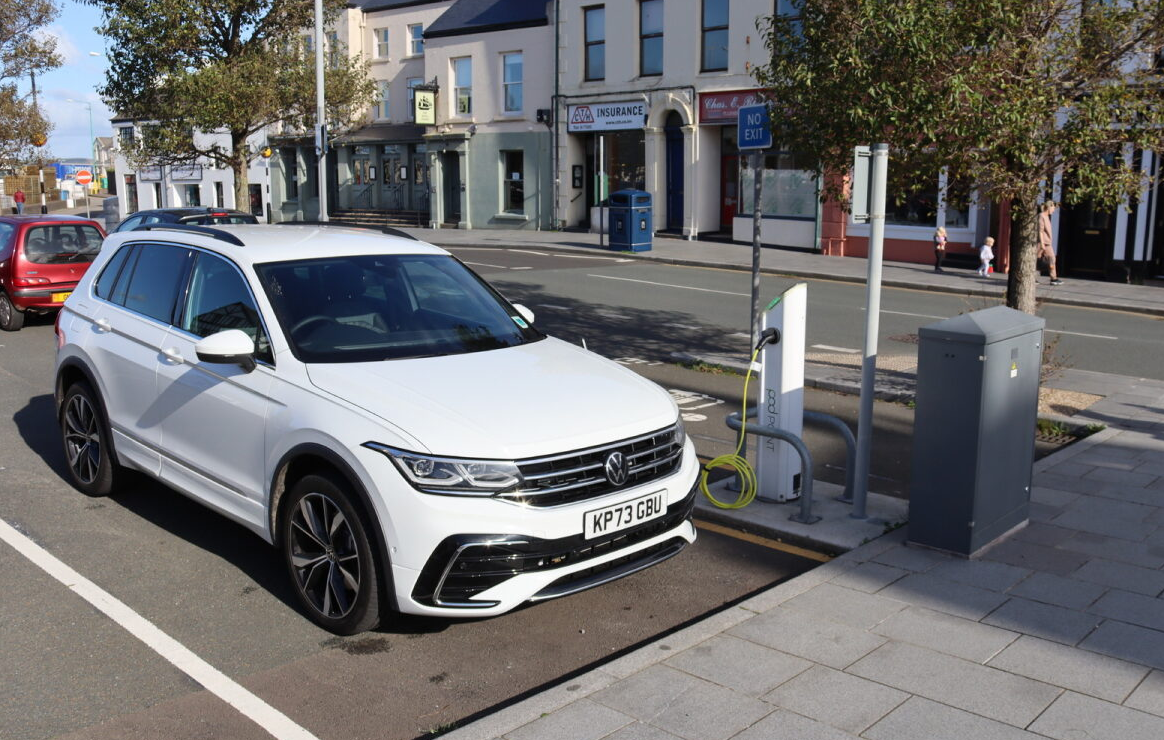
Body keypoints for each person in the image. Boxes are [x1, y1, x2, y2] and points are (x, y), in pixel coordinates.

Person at [1038, 201, 1063, 285]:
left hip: (1047, 243)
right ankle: (1032, 277)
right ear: (1048, 207)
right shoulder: (1041, 216)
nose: (1054, 210)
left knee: (1052, 258)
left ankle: (1053, 278)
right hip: (1042, 243)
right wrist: (1041, 243)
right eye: (1053, 208)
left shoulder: (1047, 217)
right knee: (1036, 260)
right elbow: (1040, 231)